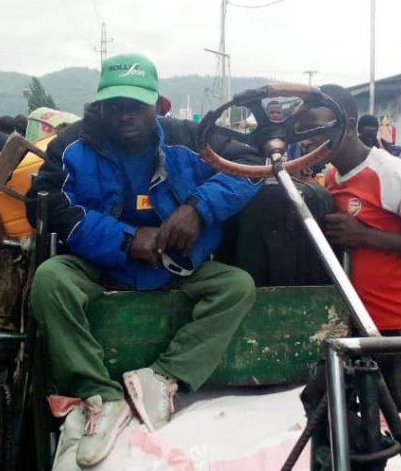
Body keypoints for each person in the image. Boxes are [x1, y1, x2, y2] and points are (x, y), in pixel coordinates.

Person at [25, 53, 262, 468]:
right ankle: (100, 394)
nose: (126, 114)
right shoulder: (71, 146)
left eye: (136, 104)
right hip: (102, 266)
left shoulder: (191, 138)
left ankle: (163, 378)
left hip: (178, 268)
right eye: (115, 105)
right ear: (100, 106)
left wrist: (197, 208)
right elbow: (46, 204)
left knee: (236, 286)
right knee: (51, 279)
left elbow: (252, 167)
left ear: (159, 104)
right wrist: (126, 239)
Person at [298, 84, 401, 460]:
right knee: (322, 405)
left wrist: (366, 236)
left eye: (320, 131)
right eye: (305, 134)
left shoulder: (389, 172)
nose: (311, 142)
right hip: (356, 327)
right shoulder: (334, 175)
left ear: (349, 124)